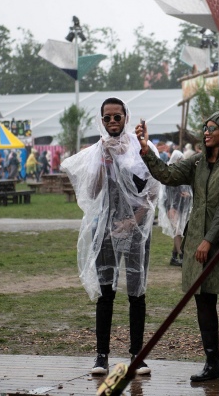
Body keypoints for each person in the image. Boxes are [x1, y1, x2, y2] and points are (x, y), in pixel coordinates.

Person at [136, 111, 219, 385]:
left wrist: (209, 240)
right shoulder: (197, 162)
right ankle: (212, 364)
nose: (205, 132)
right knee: (204, 300)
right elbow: (168, 175)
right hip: (197, 241)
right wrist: (146, 150)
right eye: (204, 127)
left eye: (212, 128)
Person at [62, 97, 159, 377]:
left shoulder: (141, 148)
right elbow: (90, 193)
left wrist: (133, 221)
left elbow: (152, 192)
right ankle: (101, 356)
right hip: (105, 228)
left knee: (136, 291)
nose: (113, 122)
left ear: (126, 117)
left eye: (117, 116)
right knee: (106, 292)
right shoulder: (96, 151)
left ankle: (137, 356)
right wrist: (104, 162)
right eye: (107, 118)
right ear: (101, 120)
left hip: (137, 228)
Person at [158, 149, 193, 267]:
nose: (181, 162)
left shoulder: (181, 172)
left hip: (181, 205)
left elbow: (185, 188)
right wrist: (171, 207)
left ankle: (174, 256)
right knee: (177, 230)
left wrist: (186, 195)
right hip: (171, 207)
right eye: (180, 160)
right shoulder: (169, 172)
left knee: (179, 231)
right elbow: (167, 193)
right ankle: (182, 255)